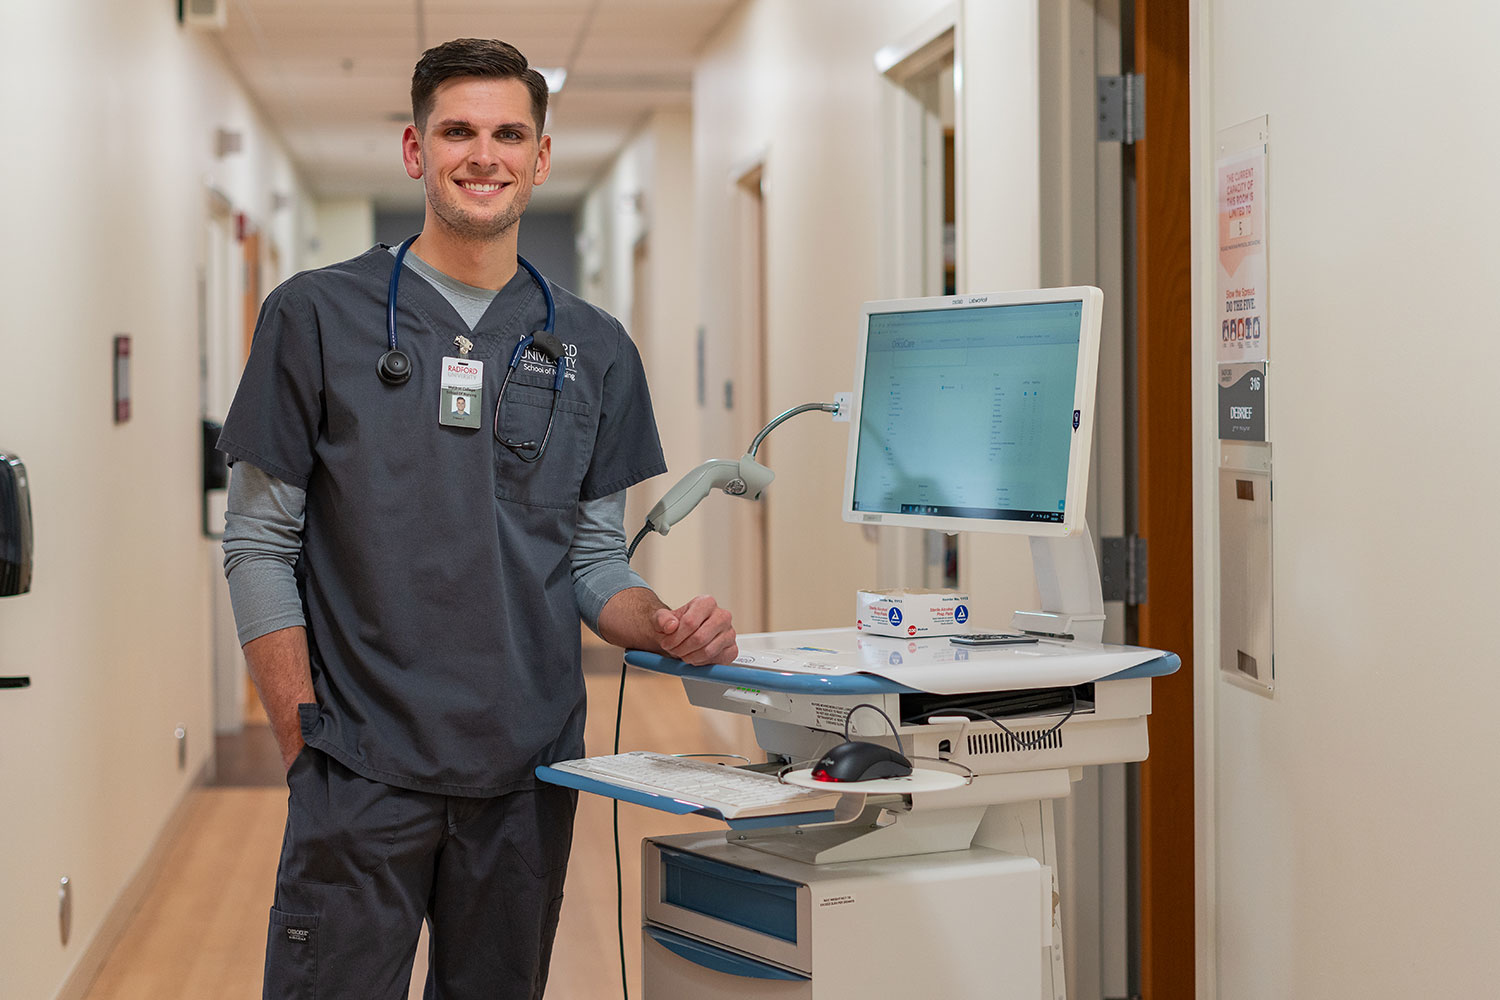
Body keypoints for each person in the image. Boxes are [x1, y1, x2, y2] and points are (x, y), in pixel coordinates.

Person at [218, 37, 737, 1000]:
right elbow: (256, 542)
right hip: (359, 769)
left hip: (524, 777)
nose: (483, 155)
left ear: (540, 157)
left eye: (509, 134)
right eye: (457, 131)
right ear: (417, 152)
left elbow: (592, 561)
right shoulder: (314, 318)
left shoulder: (594, 349)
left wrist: (659, 623)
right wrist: (303, 745)